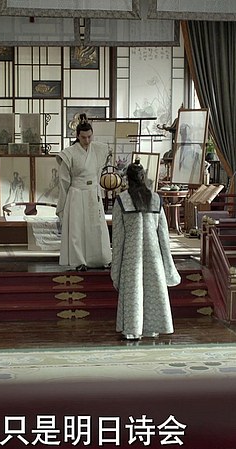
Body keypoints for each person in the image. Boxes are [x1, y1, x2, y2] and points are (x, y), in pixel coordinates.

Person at [111, 161, 181, 340]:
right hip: (153, 254)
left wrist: (115, 269)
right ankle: (152, 328)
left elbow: (117, 239)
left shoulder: (122, 200)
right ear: (144, 178)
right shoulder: (156, 199)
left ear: (127, 179)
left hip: (131, 254)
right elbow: (163, 235)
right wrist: (168, 264)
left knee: (133, 290)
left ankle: (132, 329)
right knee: (153, 289)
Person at [56, 114, 112, 270]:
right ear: (77, 136)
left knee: (97, 227)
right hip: (76, 193)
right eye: (83, 137)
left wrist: (98, 191)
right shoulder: (69, 153)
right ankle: (78, 261)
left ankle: (101, 258)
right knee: (77, 228)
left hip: (93, 192)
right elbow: (64, 181)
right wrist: (62, 203)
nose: (87, 140)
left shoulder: (99, 149)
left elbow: (98, 171)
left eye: (89, 137)